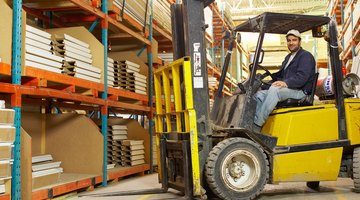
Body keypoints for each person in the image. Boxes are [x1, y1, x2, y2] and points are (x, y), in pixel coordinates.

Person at [253, 29, 316, 132]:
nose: (291, 43)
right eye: (289, 40)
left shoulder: (305, 56)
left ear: (299, 41)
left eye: (294, 40)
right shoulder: (288, 57)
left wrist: (286, 83)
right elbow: (280, 75)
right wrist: (263, 82)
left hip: (300, 91)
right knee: (259, 95)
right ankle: (253, 122)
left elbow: (302, 78)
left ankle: (257, 125)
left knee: (275, 90)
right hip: (290, 89)